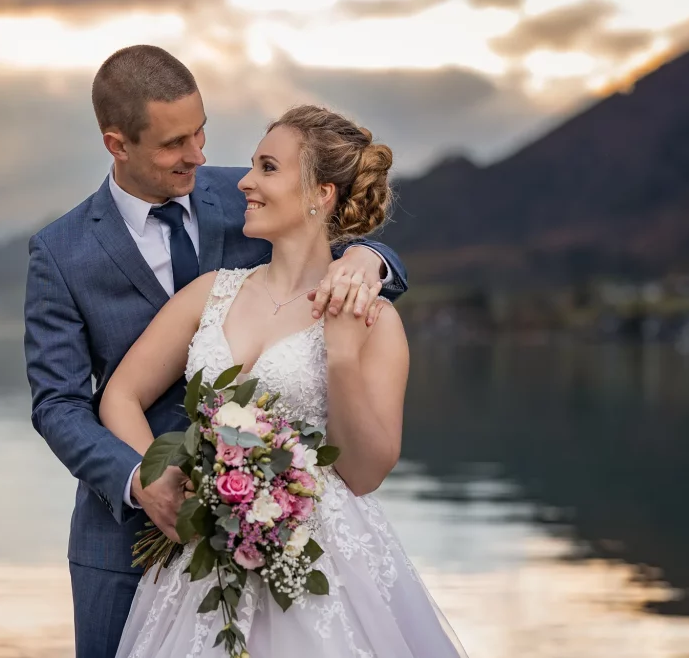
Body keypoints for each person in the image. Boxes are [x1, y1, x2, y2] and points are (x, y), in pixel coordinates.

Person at [23, 46, 409, 658]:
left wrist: (371, 258)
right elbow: (59, 404)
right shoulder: (61, 252)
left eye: (202, 132)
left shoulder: (243, 194)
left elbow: (335, 227)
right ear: (117, 144)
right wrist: (144, 479)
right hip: (123, 537)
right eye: (176, 143)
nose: (200, 157)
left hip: (295, 535)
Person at [100, 105, 467, 657]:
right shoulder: (210, 293)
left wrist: (341, 356)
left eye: (267, 167)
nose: (245, 181)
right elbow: (120, 396)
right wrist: (163, 476)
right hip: (206, 557)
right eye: (252, 165)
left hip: (320, 564)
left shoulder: (374, 320)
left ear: (322, 193)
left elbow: (365, 473)